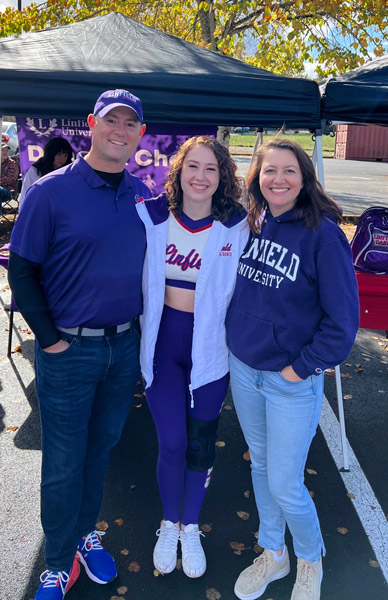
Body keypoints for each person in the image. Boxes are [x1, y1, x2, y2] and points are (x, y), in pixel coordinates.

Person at [8, 89, 151, 600]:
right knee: (64, 461)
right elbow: (23, 272)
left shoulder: (142, 196)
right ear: (92, 123)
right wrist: (48, 342)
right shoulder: (49, 192)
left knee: (100, 451)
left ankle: (85, 534)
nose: (120, 130)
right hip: (68, 351)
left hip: (122, 350)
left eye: (130, 123)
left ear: (139, 133)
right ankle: (55, 561)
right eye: (111, 120)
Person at [225, 138, 359, 600]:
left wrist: (300, 369)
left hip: (289, 381)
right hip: (244, 369)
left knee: (285, 480)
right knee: (261, 466)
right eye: (268, 171)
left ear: (304, 178)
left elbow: (343, 323)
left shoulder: (323, 234)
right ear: (256, 178)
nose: (277, 179)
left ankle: (310, 557)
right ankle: (273, 554)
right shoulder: (254, 224)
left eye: (288, 171)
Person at [136, 136, 248, 578]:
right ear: (178, 171)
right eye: (192, 167)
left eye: (211, 169)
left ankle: (190, 525)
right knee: (173, 442)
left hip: (210, 352)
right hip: (163, 346)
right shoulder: (150, 217)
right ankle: (169, 522)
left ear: (222, 177)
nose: (200, 177)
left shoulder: (237, 225)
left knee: (200, 445)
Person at [20, 137, 74, 207]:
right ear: (51, 153)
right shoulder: (36, 170)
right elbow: (26, 194)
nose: (62, 158)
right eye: (59, 154)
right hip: (40, 208)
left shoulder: (69, 171)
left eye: (65, 155)